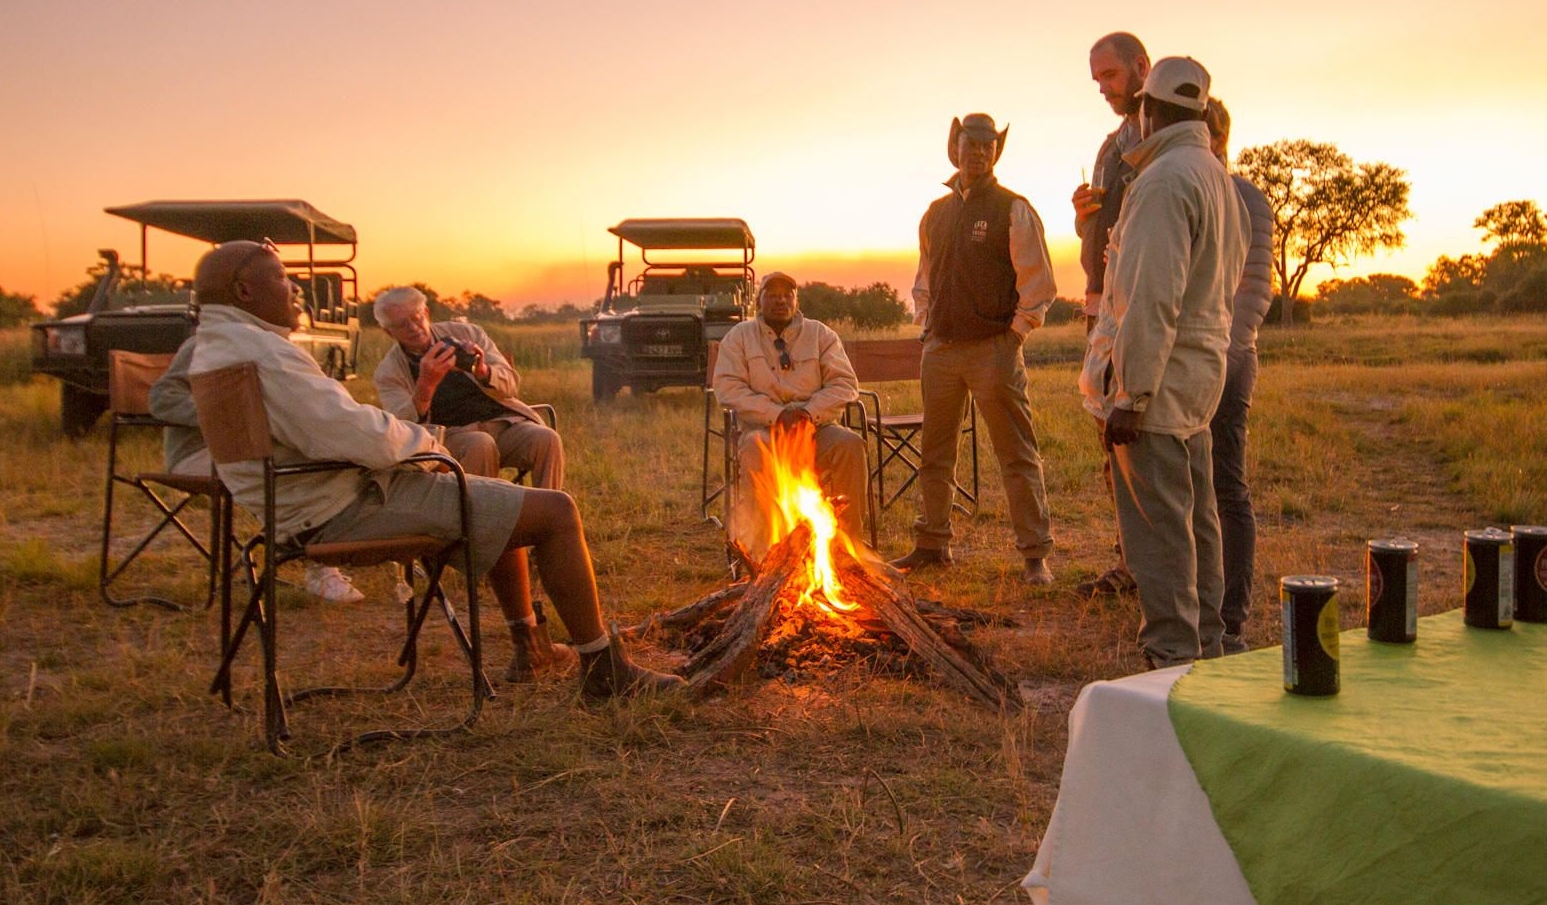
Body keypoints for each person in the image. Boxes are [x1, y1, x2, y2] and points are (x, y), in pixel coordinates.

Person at [188, 240, 681, 697]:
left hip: (305, 505)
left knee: (500, 502)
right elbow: (357, 433)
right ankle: (604, 671)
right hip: (344, 506)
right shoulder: (267, 353)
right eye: (280, 277)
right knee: (553, 511)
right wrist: (429, 440)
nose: (295, 287)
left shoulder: (221, 346)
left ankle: (531, 648)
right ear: (244, 290)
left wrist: (479, 370)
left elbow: (500, 384)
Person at [1080, 57, 1249, 667]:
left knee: (1158, 529)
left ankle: (1172, 653)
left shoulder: (1161, 181)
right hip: (1200, 373)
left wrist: (1130, 394)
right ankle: (1209, 641)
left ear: (1149, 109)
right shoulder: (1213, 174)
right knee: (1197, 518)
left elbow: (1150, 297)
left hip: (1158, 380)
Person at [895, 113, 1058, 585]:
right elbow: (924, 278)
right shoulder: (935, 213)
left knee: (1016, 453)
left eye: (988, 147)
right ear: (955, 148)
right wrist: (927, 326)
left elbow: (1038, 282)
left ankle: (1034, 555)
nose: (979, 153)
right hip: (941, 349)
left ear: (995, 154)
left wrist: (1015, 334)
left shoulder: (1013, 208)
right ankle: (932, 544)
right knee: (935, 451)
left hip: (993, 348)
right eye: (971, 144)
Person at [150, 337, 363, 603]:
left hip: (247, 451)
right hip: (197, 452)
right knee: (291, 469)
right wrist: (229, 416)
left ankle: (331, 550)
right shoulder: (210, 343)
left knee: (327, 457)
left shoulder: (276, 348)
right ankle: (320, 566)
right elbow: (163, 399)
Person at [710, 271, 865, 561]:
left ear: (796, 300)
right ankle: (767, 550)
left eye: (787, 294)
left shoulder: (820, 334)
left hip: (817, 429)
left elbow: (845, 384)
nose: (780, 300)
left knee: (850, 444)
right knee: (755, 448)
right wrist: (777, 415)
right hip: (763, 430)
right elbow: (728, 388)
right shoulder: (740, 337)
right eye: (772, 294)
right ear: (759, 300)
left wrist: (808, 413)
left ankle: (846, 547)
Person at [1072, 32, 1151, 599]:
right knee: (1112, 442)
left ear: (1141, 67)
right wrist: (1083, 217)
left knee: (1147, 436)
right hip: (1101, 304)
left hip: (1139, 305)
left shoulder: (1164, 138)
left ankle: (1155, 567)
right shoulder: (1109, 146)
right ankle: (1130, 562)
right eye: (1096, 78)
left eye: (1110, 76)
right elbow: (1100, 227)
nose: (1101, 87)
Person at [371, 287, 564, 491]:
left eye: (417, 318)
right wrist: (425, 385)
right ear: (389, 332)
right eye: (402, 324)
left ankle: (546, 511)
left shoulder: (468, 333)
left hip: (502, 423)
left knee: (546, 438)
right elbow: (403, 426)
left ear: (426, 314)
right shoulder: (388, 372)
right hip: (451, 437)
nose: (413, 328)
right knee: (480, 444)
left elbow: (511, 385)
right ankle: (480, 519)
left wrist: (482, 371)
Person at [1208, 98, 1277, 655]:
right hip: (1200, 355)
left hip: (1226, 357)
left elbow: (1255, 288)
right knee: (1194, 488)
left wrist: (1224, 352)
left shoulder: (1244, 198)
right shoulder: (1197, 188)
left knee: (1226, 486)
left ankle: (1231, 617)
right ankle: (1203, 609)